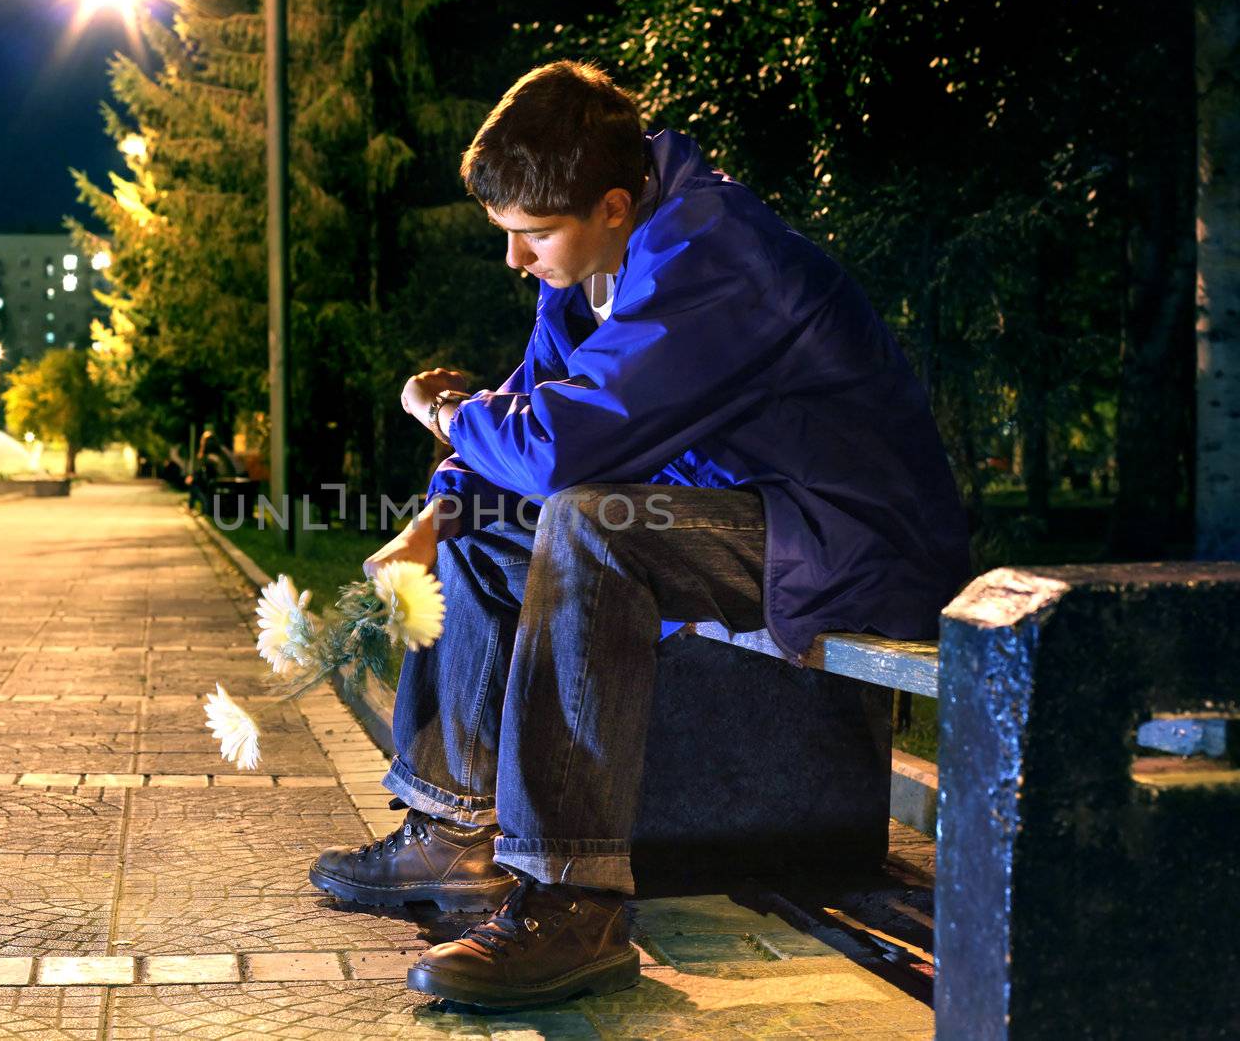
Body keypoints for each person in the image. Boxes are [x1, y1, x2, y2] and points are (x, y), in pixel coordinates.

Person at [308, 61, 970, 1010]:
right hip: (738, 511)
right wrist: (438, 512)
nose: (516, 260)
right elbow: (534, 406)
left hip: (846, 534)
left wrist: (448, 415)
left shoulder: (716, 256)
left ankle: (571, 902)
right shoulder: (587, 268)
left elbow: (560, 448)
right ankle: (450, 834)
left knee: (590, 524)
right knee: (486, 531)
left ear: (614, 205)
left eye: (533, 236)